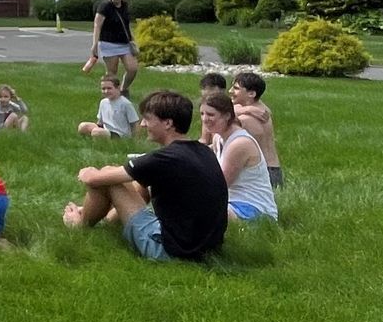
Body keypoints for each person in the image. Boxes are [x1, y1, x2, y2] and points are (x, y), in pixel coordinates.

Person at [62, 89, 227, 263]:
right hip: (208, 248)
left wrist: (86, 172)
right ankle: (106, 220)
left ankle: (79, 225)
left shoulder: (164, 159)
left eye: (147, 119)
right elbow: (140, 185)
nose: (142, 124)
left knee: (108, 177)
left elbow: (93, 179)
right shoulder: (204, 151)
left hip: (170, 250)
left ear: (168, 123)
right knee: (137, 182)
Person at [199, 91, 277, 222]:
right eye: (202, 114)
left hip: (255, 209)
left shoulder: (239, 144)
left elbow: (220, 186)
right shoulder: (218, 138)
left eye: (210, 114)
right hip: (231, 202)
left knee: (199, 211)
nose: (204, 119)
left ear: (227, 116)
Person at [232, 71, 284, 190]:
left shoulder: (249, 119)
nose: (230, 91)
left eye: (236, 88)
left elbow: (222, 114)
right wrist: (248, 109)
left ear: (251, 94)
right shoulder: (255, 107)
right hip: (269, 170)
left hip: (265, 173)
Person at [87, 0, 140, 96]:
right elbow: (97, 25)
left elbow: (126, 25)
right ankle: (109, 93)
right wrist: (94, 44)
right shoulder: (104, 6)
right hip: (108, 43)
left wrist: (132, 39)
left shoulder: (125, 6)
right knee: (112, 72)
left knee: (132, 69)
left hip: (125, 43)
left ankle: (123, 89)